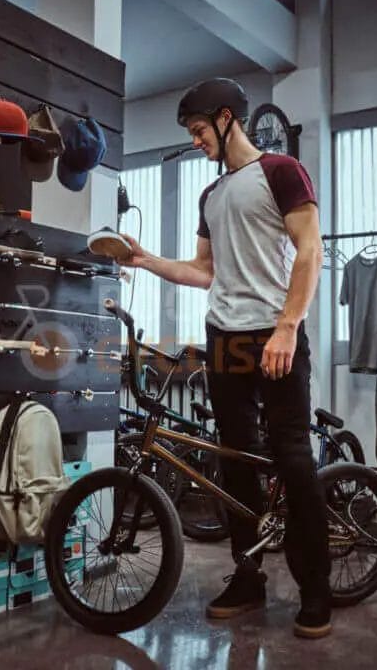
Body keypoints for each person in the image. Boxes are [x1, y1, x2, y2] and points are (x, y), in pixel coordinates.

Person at [114, 78, 332, 639]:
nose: (195, 141)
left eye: (198, 130)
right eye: (190, 133)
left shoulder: (282, 171)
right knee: (234, 461)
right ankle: (248, 574)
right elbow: (203, 271)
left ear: (227, 117)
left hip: (275, 334)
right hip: (225, 339)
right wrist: (146, 260)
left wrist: (288, 327)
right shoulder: (211, 195)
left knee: (292, 456)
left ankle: (315, 588)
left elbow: (310, 251)